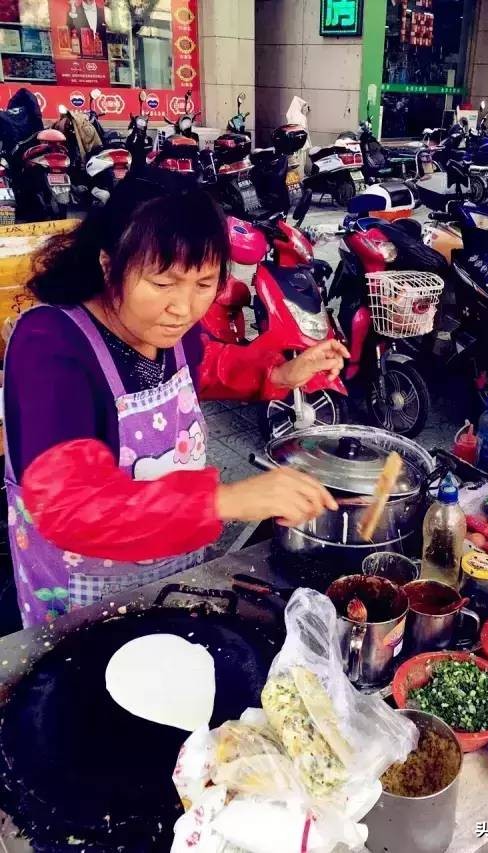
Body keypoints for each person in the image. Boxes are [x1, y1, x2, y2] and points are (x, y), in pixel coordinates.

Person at [4, 178, 348, 627]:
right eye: (163, 282)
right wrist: (224, 501)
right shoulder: (51, 344)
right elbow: (71, 506)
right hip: (79, 600)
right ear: (109, 264)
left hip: (172, 571)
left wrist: (281, 374)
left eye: (204, 283)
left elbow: (202, 368)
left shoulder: (172, 330)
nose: (184, 308)